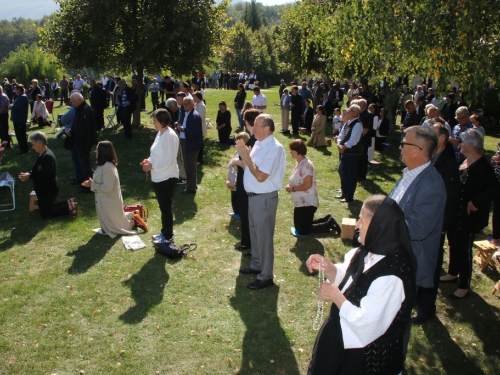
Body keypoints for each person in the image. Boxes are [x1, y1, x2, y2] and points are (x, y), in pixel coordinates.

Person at [306, 195, 416, 375]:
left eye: (362, 220)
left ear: (377, 227)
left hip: (365, 360)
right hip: (340, 344)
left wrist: (336, 297)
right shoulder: (368, 250)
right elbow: (353, 277)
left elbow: (368, 325)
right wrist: (331, 269)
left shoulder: (393, 276)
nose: (357, 224)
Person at [389, 126, 445, 332]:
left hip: (408, 263)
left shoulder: (432, 185)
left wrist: (382, 226)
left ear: (417, 150)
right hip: (395, 257)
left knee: (397, 323)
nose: (400, 146)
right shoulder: (409, 174)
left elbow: (417, 228)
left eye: (404, 143)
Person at [440, 129, 500, 298]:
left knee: (463, 248)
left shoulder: (483, 167)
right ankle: (453, 272)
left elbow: (495, 189)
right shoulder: (465, 161)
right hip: (456, 213)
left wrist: (476, 202)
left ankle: (463, 285)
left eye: (463, 142)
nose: (460, 145)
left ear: (471, 145)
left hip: (469, 217)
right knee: (453, 242)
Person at [234, 115, 286, 289]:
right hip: (254, 197)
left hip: (263, 198)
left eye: (256, 125)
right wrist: (243, 159)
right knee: (255, 233)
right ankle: (257, 265)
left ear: (267, 128)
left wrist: (245, 157)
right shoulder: (259, 143)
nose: (252, 128)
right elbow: (251, 167)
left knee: (263, 237)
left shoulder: (273, 148)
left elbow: (261, 176)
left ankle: (266, 275)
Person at [81, 141, 148, 237]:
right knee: (109, 226)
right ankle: (132, 214)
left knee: (116, 228)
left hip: (109, 200)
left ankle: (134, 221)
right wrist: (92, 183)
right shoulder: (102, 165)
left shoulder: (108, 167)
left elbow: (107, 187)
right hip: (104, 199)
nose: (95, 151)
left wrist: (92, 185)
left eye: (97, 149)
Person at [141, 109, 179, 244]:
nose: (153, 123)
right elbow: (157, 153)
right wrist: (149, 160)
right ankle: (164, 231)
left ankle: (168, 235)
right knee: (163, 206)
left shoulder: (169, 135)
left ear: (163, 122)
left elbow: (168, 159)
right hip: (158, 176)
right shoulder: (160, 133)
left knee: (166, 207)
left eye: (155, 121)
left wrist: (152, 166)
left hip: (167, 176)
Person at [18, 132, 77, 219]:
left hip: (49, 189)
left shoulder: (47, 157)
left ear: (40, 144)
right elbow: (37, 169)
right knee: (44, 208)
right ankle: (69, 202)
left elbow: (45, 175)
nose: (33, 147)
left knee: (45, 214)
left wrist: (30, 176)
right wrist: (29, 173)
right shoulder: (41, 154)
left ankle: (68, 207)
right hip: (43, 188)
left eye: (34, 145)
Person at [285, 140, 339, 235]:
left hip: (308, 202)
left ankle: (328, 224)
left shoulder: (306, 165)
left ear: (298, 151)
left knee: (302, 230)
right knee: (298, 227)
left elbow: (307, 185)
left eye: (292, 150)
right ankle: (326, 219)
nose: (290, 152)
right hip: (301, 202)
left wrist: (292, 189)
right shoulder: (299, 163)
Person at [232, 109, 259, 253]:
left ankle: (247, 243)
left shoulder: (254, 141)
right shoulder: (254, 139)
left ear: (247, 121)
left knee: (246, 212)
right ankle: (247, 241)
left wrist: (235, 161)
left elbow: (248, 163)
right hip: (247, 181)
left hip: (247, 183)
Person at [65, 92, 97, 188]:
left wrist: (88, 143)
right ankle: (84, 181)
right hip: (79, 141)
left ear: (79, 100)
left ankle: (89, 184)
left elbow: (89, 129)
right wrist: (72, 132)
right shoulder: (79, 109)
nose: (72, 104)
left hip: (84, 142)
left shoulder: (86, 110)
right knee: (82, 163)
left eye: (73, 101)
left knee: (85, 164)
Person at [336, 105, 363, 203]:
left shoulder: (358, 124)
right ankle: (344, 192)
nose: (348, 112)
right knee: (344, 173)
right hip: (345, 152)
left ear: (356, 113)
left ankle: (349, 196)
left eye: (351, 111)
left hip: (352, 154)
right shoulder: (347, 123)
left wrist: (343, 147)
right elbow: (341, 135)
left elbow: (354, 140)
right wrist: (339, 144)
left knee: (351, 175)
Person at [177, 96, 202, 194]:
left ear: (192, 104)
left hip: (191, 144)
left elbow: (193, 132)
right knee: (188, 165)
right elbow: (183, 123)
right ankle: (192, 185)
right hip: (185, 141)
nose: (184, 106)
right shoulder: (187, 113)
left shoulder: (195, 115)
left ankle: (190, 188)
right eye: (183, 104)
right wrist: (178, 125)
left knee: (190, 167)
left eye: (187, 104)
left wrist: (183, 129)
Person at [9, 84, 29, 154]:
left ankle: (24, 149)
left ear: (19, 90)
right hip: (17, 119)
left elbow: (19, 107)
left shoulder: (23, 97)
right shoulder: (19, 97)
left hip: (20, 119)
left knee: (21, 134)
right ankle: (21, 147)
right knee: (18, 134)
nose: (15, 91)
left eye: (16, 90)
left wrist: (12, 107)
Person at [193, 91, 207, 166]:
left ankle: (199, 160)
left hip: (200, 127)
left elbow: (200, 117)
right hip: (196, 127)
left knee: (200, 144)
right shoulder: (197, 105)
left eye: (195, 97)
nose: (193, 98)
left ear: (198, 97)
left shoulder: (201, 106)